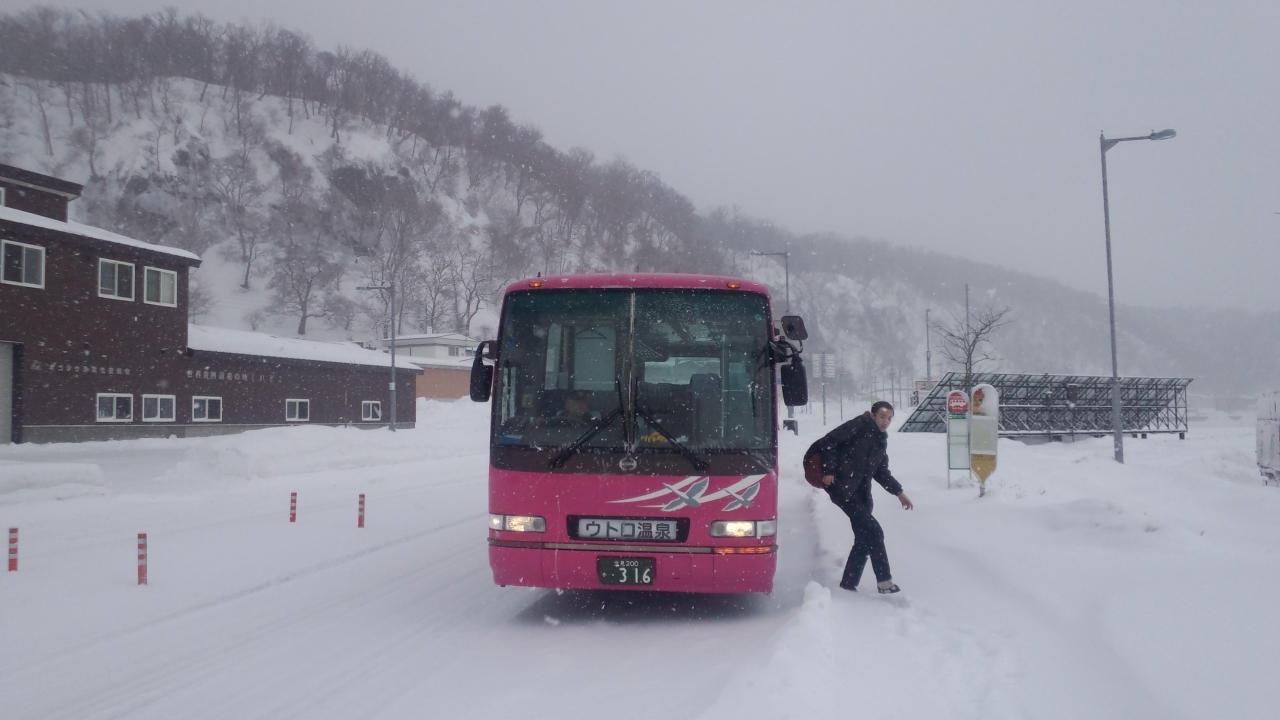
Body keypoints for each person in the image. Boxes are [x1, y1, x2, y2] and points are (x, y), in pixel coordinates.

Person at [817, 401, 913, 593]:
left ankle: (848, 585)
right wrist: (829, 470)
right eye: (882, 417)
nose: (886, 422)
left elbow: (881, 472)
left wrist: (899, 493)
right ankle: (884, 582)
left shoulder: (880, 439)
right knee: (874, 532)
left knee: (863, 537)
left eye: (889, 418)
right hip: (843, 489)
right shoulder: (858, 426)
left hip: (862, 493)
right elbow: (829, 441)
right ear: (873, 415)